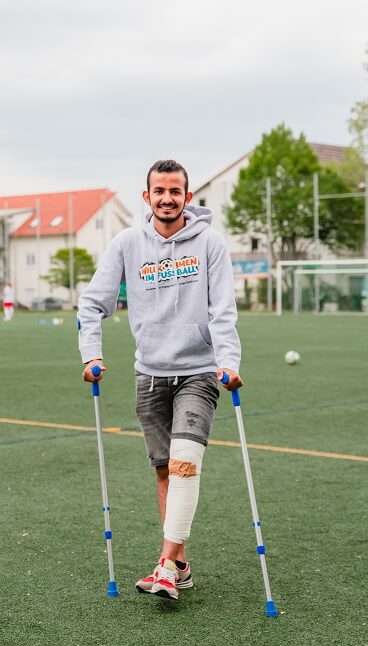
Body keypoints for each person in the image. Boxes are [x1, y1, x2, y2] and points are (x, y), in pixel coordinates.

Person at [77, 159, 243, 602]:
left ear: (188, 198)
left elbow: (223, 310)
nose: (167, 198)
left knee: (186, 462)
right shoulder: (127, 243)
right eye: (159, 191)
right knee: (167, 471)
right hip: (149, 375)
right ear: (146, 197)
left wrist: (228, 361)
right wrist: (91, 354)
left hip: (199, 371)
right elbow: (91, 304)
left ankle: (165, 566)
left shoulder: (210, 243)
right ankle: (181, 563)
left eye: (176, 191)